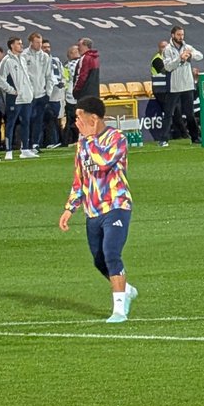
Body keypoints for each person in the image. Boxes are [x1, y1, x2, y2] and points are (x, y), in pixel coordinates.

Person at [58, 95, 137, 324]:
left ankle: (119, 310)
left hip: (116, 205)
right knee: (99, 260)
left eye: (78, 118)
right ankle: (126, 288)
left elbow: (103, 162)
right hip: (92, 210)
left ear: (93, 118)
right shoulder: (82, 144)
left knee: (112, 253)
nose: (76, 123)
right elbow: (79, 178)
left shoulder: (117, 138)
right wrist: (69, 208)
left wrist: (90, 138)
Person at [161, 24, 202, 144]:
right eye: (178, 34)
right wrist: (179, 58)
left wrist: (191, 55)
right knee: (168, 113)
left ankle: (195, 137)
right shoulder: (167, 50)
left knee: (190, 113)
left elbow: (200, 56)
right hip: (174, 86)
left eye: (182, 34)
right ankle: (163, 139)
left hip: (188, 85)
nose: (181, 37)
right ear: (172, 35)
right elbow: (168, 67)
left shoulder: (187, 47)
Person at [0, 35, 35, 160]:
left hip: (26, 97)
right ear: (12, 45)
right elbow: (0, 79)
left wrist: (30, 91)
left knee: (26, 122)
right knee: (11, 123)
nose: (21, 45)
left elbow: (26, 77)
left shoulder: (23, 59)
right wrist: (11, 90)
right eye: (19, 43)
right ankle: (8, 150)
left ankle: (25, 149)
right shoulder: (7, 60)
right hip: (14, 98)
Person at [22, 32, 49, 155]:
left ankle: (35, 143)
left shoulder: (44, 57)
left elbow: (48, 75)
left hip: (41, 93)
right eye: (37, 42)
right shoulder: (24, 55)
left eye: (40, 42)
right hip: (29, 94)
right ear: (31, 42)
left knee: (39, 120)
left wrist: (47, 91)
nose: (39, 45)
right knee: (27, 119)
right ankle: (25, 144)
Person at [149, 40, 170, 146]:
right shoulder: (157, 59)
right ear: (159, 48)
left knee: (174, 112)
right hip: (160, 90)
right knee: (169, 112)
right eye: (162, 47)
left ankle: (182, 134)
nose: (164, 49)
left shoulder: (170, 58)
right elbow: (164, 71)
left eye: (166, 47)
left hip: (169, 89)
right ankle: (167, 136)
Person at [72, 37, 100, 102]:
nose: (77, 48)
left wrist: (76, 90)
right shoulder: (95, 58)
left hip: (84, 94)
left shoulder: (85, 58)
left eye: (79, 45)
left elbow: (81, 76)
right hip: (94, 94)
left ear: (85, 46)